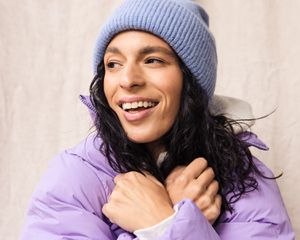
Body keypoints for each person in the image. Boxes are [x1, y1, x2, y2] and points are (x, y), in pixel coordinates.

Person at [20, 0, 295, 239]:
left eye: (152, 60)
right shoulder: (74, 178)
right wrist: (171, 222)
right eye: (113, 64)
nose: (127, 80)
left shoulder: (244, 179)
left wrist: (163, 223)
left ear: (191, 81)